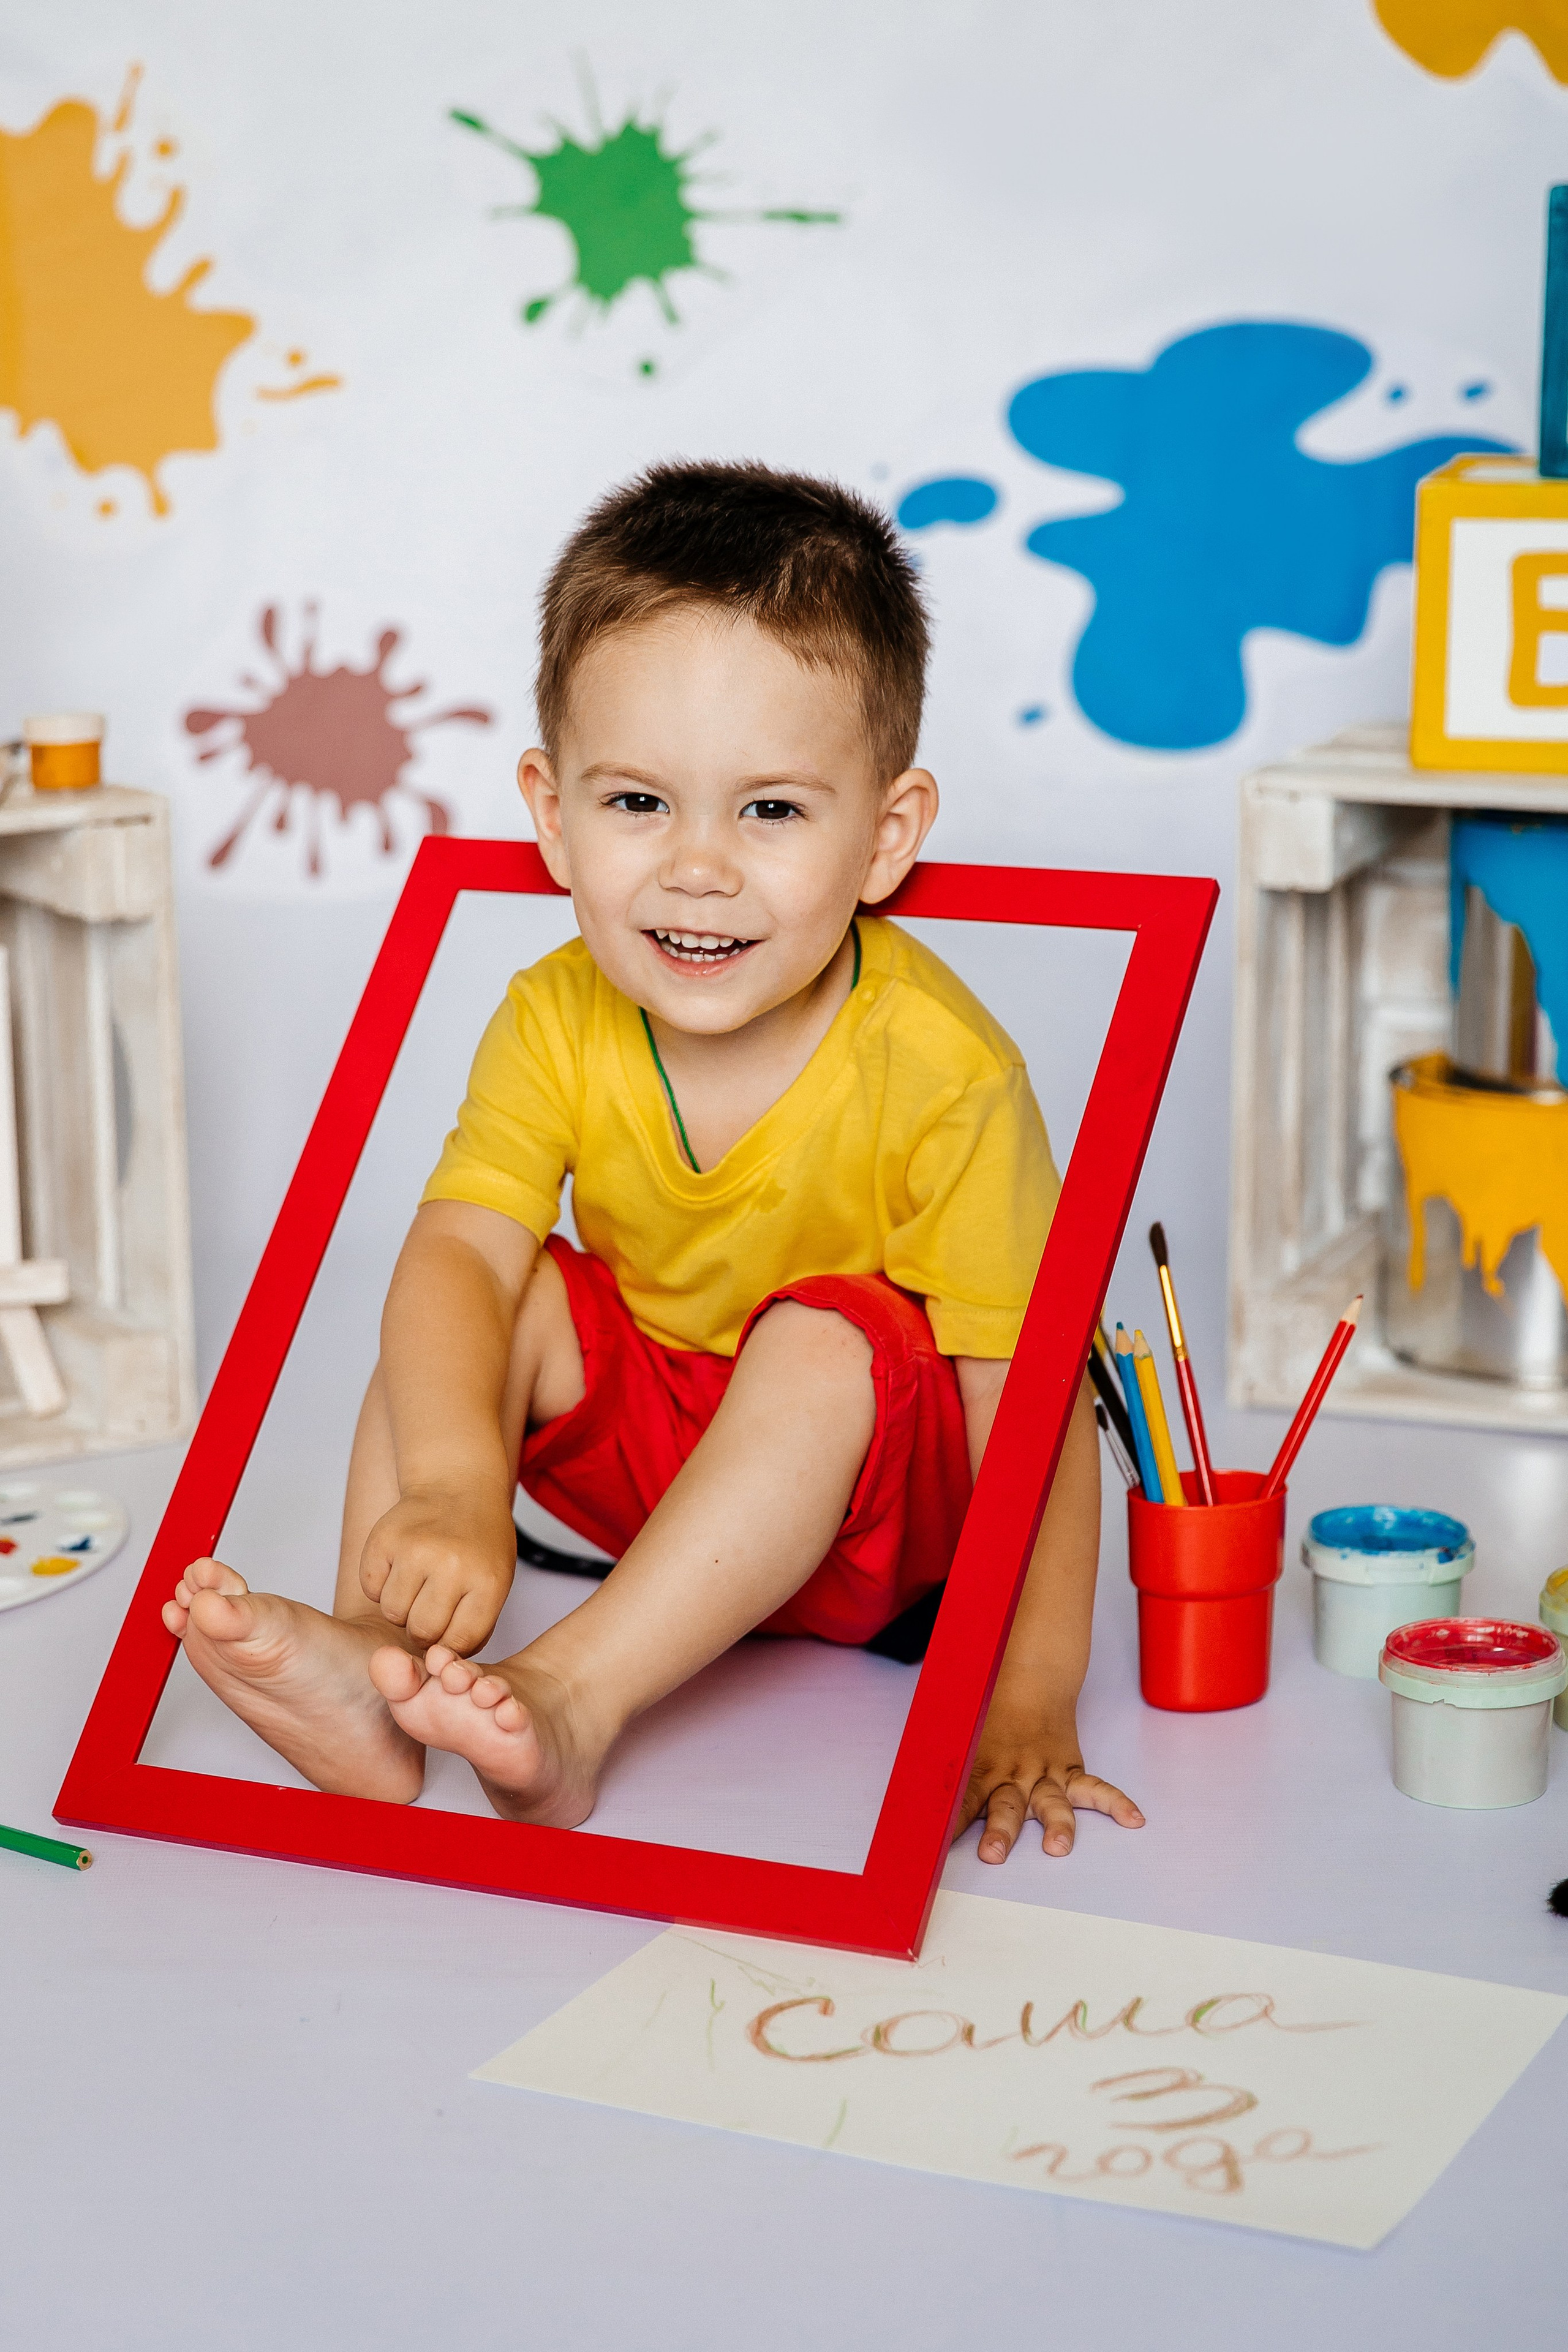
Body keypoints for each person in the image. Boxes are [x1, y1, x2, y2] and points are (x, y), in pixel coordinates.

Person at [164, 461, 1144, 1866]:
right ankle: (378, 1669)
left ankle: (571, 1695)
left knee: (822, 1332)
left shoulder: (943, 1068)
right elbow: (458, 1249)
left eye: (770, 812)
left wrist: (1029, 1689)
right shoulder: (553, 1012)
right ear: (552, 814)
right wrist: (452, 1485)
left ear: (886, 836)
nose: (697, 869)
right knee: (479, 1286)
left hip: (870, 1520)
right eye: (637, 805)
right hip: (675, 1493)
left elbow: (1025, 1394)